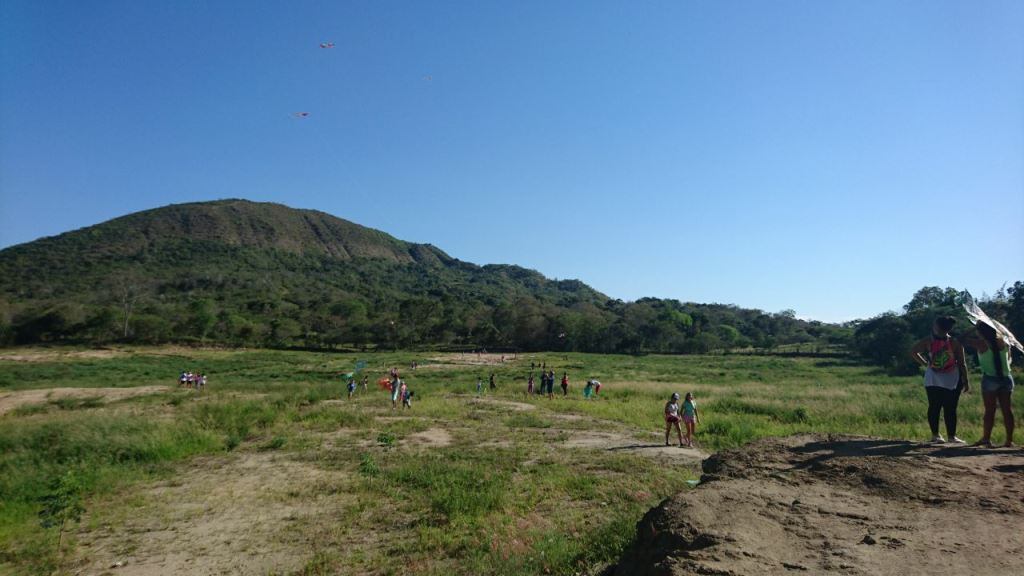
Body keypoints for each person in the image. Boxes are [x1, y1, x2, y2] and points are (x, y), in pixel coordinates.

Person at [909, 316, 969, 443]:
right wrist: (966, 380)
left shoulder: (928, 341)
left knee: (934, 406)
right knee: (951, 408)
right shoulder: (955, 342)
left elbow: (914, 351)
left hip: (933, 378)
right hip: (952, 378)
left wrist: (925, 363)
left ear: (937, 326)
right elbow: (962, 363)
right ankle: (952, 437)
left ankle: (935, 435)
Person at [960, 319, 1015, 447]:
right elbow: (1008, 359)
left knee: (990, 411)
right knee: (1007, 410)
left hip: (990, 379)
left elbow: (960, 339)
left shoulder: (981, 344)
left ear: (981, 331)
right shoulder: (1005, 342)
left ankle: (986, 438)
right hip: (1006, 378)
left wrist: (974, 327)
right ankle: (1009, 440)